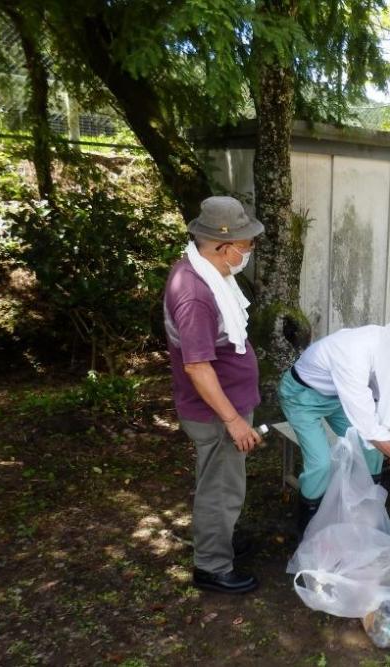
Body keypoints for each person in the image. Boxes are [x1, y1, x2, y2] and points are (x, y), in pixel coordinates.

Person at [164, 196, 264, 595]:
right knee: (219, 489)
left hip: (228, 405)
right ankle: (212, 566)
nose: (249, 251)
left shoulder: (209, 274)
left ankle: (218, 541)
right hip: (216, 413)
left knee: (224, 484)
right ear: (224, 247)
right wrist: (233, 419)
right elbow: (197, 366)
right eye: (246, 244)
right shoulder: (195, 293)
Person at [278, 313, 390, 533]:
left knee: (370, 450)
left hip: (336, 396)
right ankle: (307, 529)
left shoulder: (388, 343)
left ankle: (367, 514)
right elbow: (370, 427)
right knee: (321, 464)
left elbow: (385, 388)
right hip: (302, 397)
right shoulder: (354, 354)